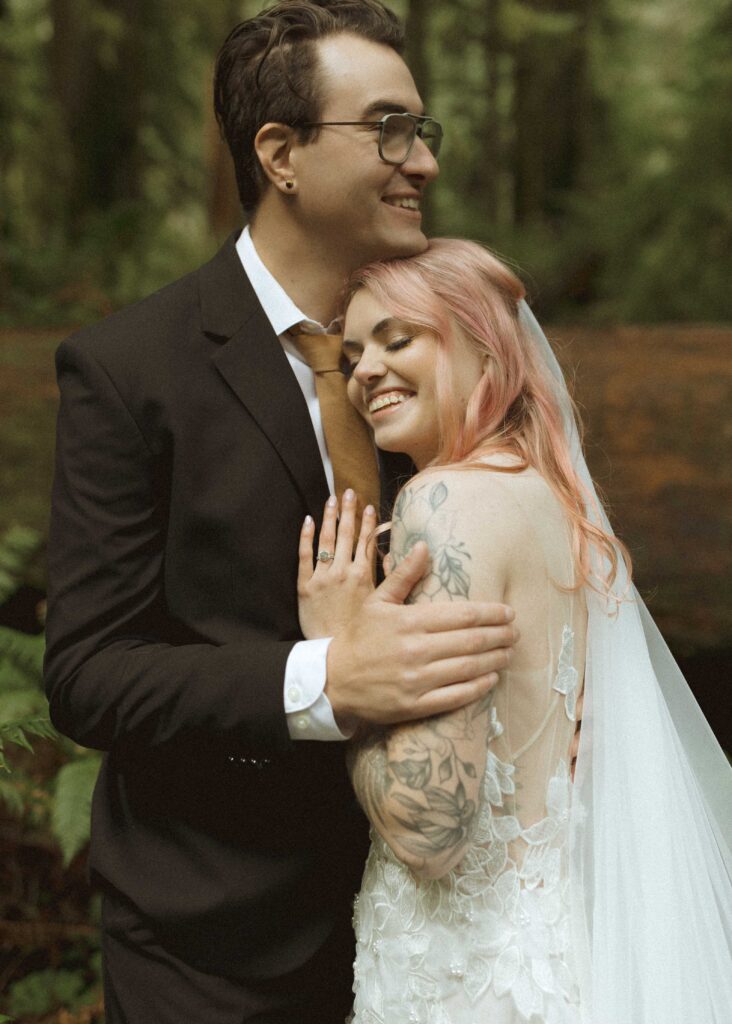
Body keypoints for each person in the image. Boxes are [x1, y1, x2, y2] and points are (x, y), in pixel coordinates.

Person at [42, 5, 518, 1023]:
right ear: (281, 153)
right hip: (211, 937)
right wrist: (327, 679)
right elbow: (88, 672)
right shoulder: (131, 371)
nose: (421, 161)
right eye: (388, 128)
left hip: (440, 921)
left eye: (423, 131)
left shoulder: (448, 346)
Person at [298, 238, 732, 1023]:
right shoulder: (553, 505)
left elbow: (432, 832)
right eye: (357, 352)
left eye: (400, 340)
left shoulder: (444, 505)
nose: (364, 371)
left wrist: (339, 661)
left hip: (467, 983)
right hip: (552, 954)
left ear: (483, 347)